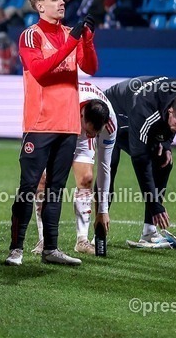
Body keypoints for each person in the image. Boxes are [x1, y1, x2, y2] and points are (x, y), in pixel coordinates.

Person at [6, 0, 98, 267]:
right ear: (39, 5)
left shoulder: (71, 33)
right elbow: (41, 71)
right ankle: (16, 248)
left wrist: (88, 40)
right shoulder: (30, 36)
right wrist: (73, 43)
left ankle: (52, 248)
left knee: (56, 188)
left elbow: (91, 68)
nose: (62, 3)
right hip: (40, 123)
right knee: (30, 186)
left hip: (69, 124)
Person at [104, 77, 176, 248]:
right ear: (170, 111)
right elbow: (140, 161)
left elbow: (168, 128)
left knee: (164, 161)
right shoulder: (144, 110)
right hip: (114, 112)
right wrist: (154, 204)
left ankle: (149, 232)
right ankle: (96, 235)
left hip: (136, 109)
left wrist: (166, 144)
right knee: (108, 171)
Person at [32, 82, 115, 256]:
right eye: (90, 131)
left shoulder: (110, 124)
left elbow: (105, 166)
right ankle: (44, 239)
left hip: (78, 131)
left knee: (86, 179)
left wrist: (103, 210)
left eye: (96, 134)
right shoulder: (62, 105)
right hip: (60, 125)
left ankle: (82, 241)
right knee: (42, 182)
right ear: (83, 114)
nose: (92, 136)